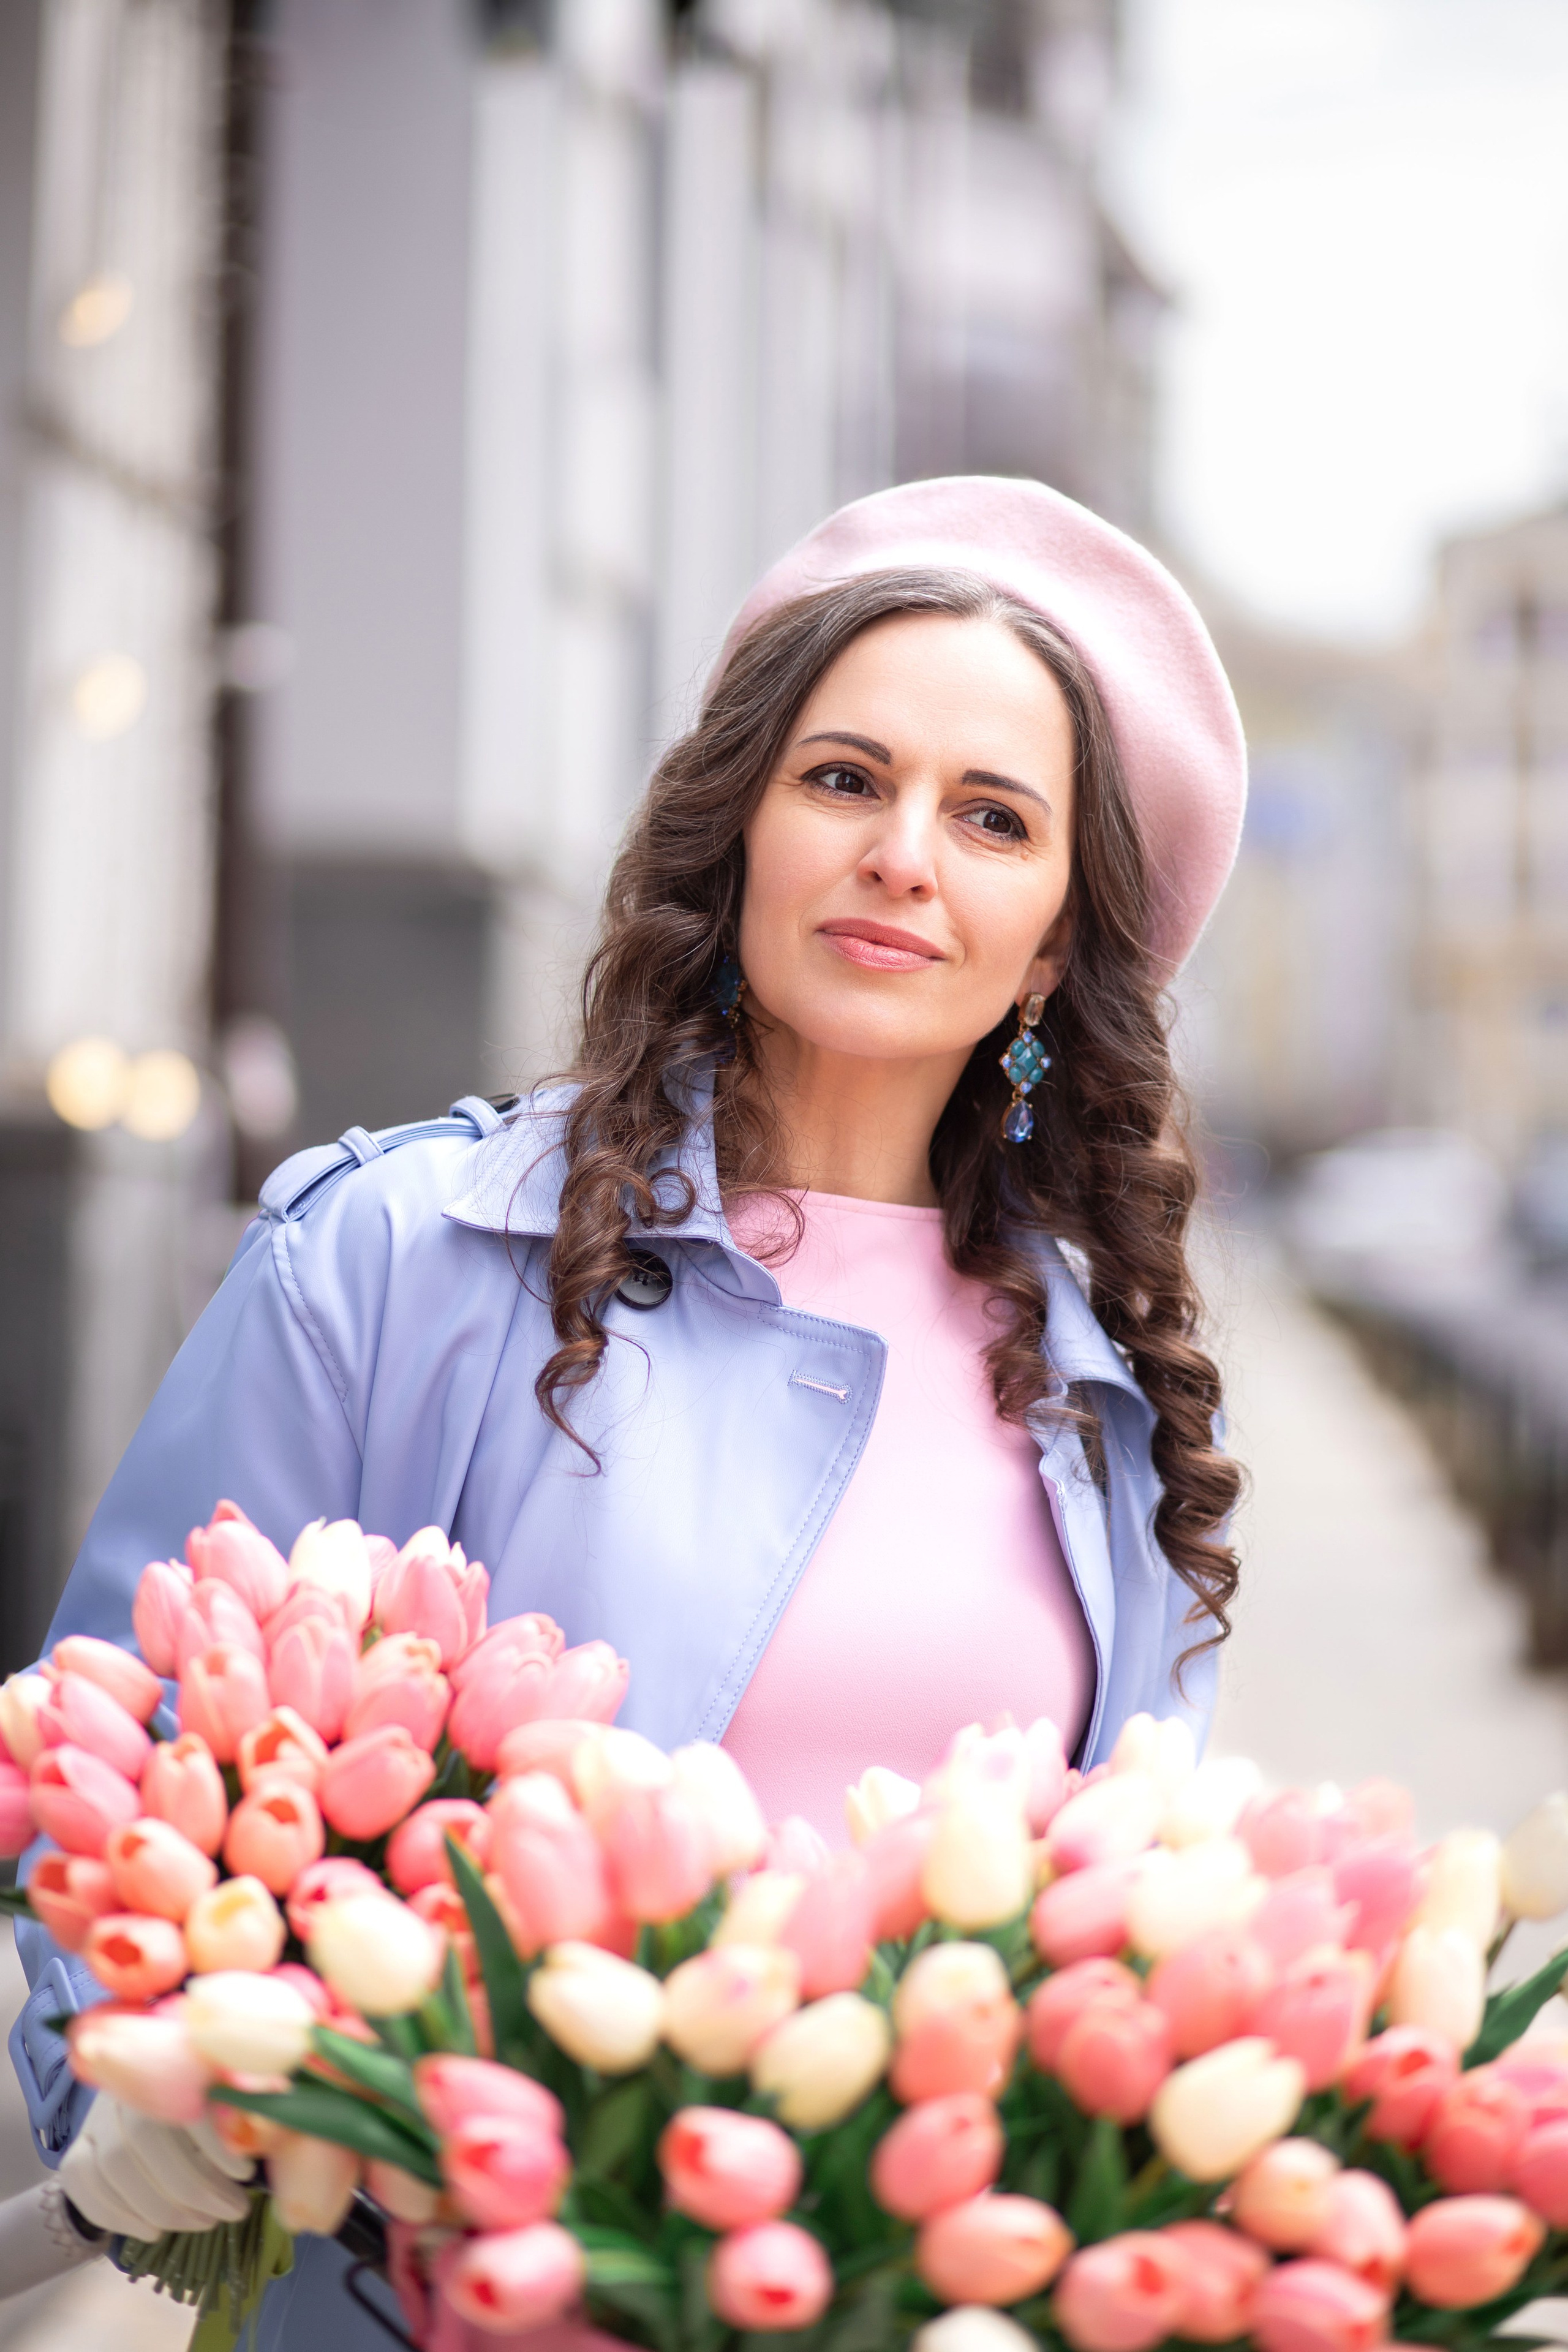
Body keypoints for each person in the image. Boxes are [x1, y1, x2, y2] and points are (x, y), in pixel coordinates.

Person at [11, 477, 1247, 2346]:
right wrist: (126, 2090)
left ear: (1059, 943)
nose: (905, 853)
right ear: (738, 823)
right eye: (845, 779)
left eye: (992, 818)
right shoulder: (399, 1256)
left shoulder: (1103, 1399)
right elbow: (110, 1761)